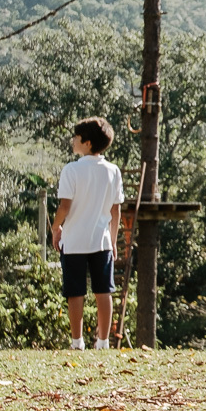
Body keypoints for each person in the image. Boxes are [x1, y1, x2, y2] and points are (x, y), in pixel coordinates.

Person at [51, 116, 124, 351]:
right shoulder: (113, 171)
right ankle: (103, 342)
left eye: (77, 137)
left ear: (88, 143)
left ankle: (77, 342)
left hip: (73, 241)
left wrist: (55, 228)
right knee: (104, 291)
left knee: (75, 292)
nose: (73, 140)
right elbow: (116, 209)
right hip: (101, 240)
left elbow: (64, 207)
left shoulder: (71, 170)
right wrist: (113, 241)